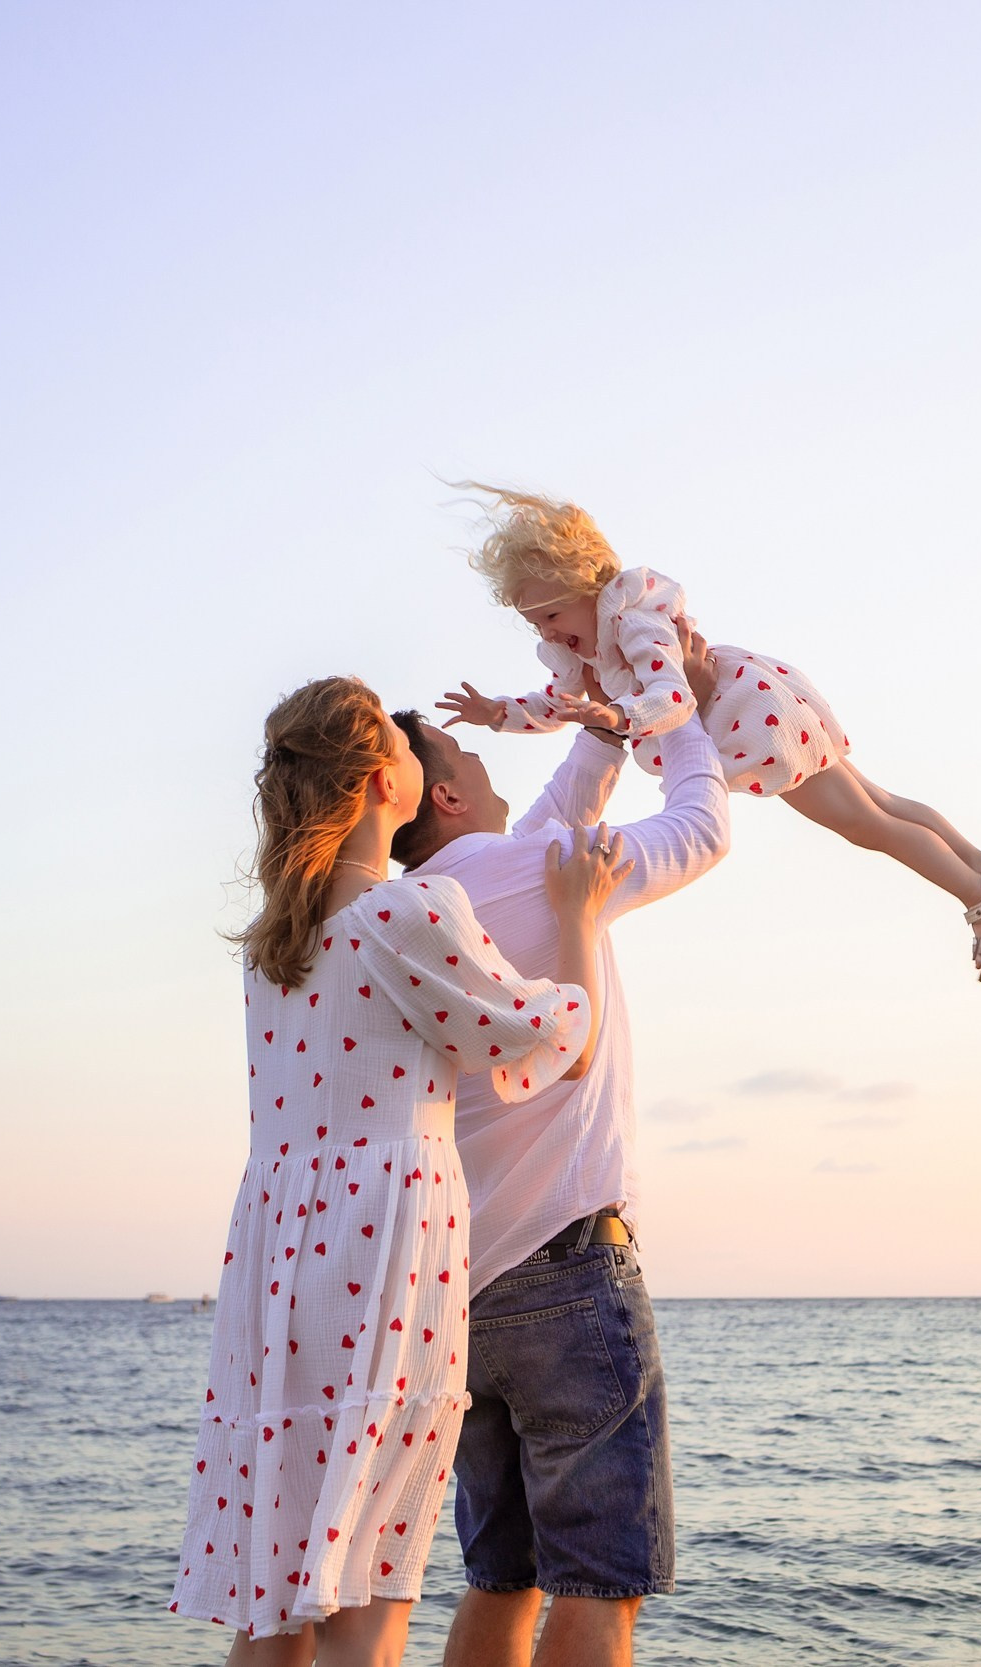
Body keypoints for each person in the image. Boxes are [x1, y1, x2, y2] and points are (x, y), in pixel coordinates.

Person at [168, 675, 630, 1667]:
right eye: (408, 743)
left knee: (280, 1596)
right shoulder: (413, 911)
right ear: (385, 778)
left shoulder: (271, 944)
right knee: (367, 1600)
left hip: (278, 1265)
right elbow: (556, 1038)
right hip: (381, 1263)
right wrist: (577, 913)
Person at [387, 645, 730, 1667]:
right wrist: (676, 708)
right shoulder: (525, 869)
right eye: (461, 747)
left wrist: (599, 732)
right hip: (569, 1271)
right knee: (599, 1588)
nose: (484, 755)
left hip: (467, 1295)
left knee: (502, 1576)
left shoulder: (422, 907)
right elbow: (702, 828)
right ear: (445, 792)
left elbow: (547, 814)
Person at [437, 482, 981, 981]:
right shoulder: (583, 646)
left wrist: (621, 718)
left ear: (589, 587)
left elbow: (671, 697)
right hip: (751, 700)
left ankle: (978, 896)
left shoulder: (634, 622)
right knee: (879, 801)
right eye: (533, 622)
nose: (546, 633)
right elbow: (562, 704)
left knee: (863, 822)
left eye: (551, 614)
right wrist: (499, 713)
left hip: (746, 715)